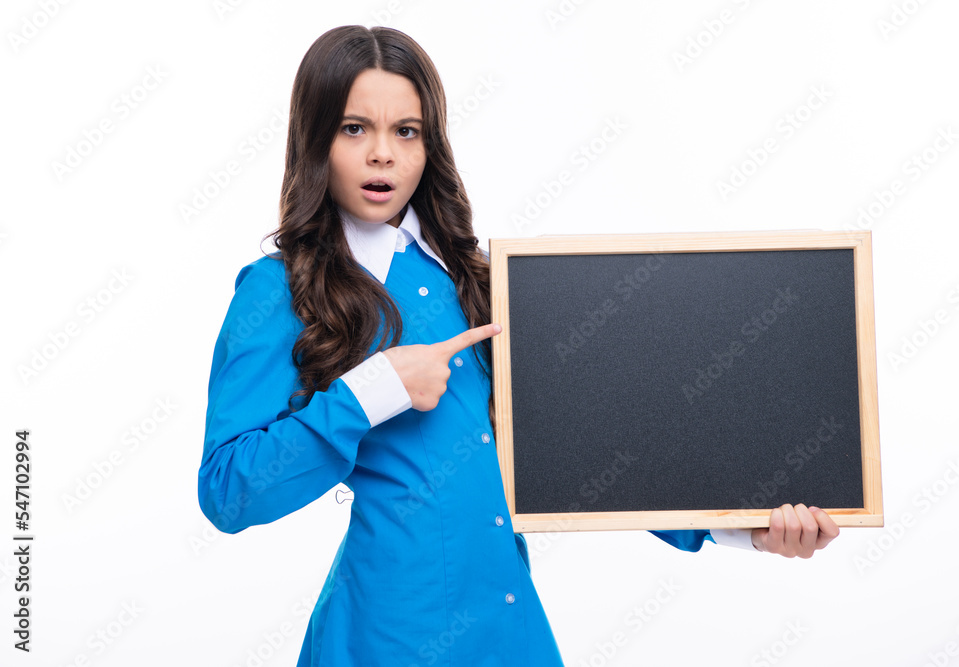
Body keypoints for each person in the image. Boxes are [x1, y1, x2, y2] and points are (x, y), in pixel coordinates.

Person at [197, 25, 840, 666]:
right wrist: (375, 390)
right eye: (354, 128)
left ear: (431, 144)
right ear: (315, 140)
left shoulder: (482, 278)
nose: (382, 155)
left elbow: (582, 446)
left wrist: (744, 525)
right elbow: (229, 491)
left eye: (407, 131)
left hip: (512, 636)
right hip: (383, 639)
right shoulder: (277, 289)